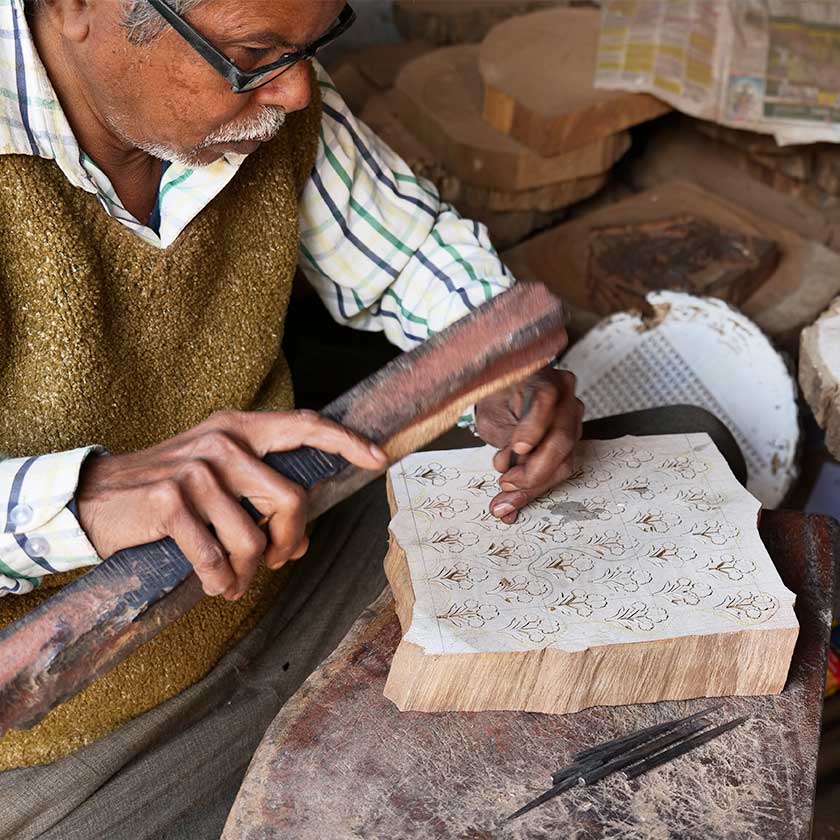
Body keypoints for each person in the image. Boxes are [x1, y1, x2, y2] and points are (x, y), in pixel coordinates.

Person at [0, 2, 588, 836]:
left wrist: (501, 364)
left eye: (313, 43)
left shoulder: (265, 98)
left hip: (290, 567)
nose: (299, 91)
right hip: (72, 728)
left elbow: (415, 256)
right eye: (254, 53)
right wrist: (87, 496)